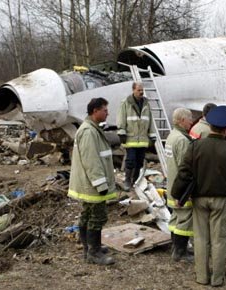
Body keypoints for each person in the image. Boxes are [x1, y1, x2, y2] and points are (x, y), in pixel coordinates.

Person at [172, 105, 226, 286]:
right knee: (219, 239)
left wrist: (176, 194)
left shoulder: (195, 146)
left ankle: (201, 277)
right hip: (221, 201)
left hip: (199, 199)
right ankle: (217, 279)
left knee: (201, 238)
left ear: (209, 125)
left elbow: (184, 172)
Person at [68, 98, 117, 265]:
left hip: (89, 183)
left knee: (87, 215)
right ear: (95, 111)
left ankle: (89, 248)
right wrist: (101, 184)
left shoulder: (92, 129)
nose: (107, 113)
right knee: (97, 216)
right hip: (93, 185)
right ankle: (93, 252)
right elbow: (91, 161)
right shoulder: (89, 132)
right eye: (104, 110)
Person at [165, 108, 194, 262]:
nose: (191, 121)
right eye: (189, 119)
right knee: (184, 220)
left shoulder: (172, 136)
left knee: (175, 218)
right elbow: (186, 168)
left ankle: (175, 247)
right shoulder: (182, 140)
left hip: (172, 186)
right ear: (182, 120)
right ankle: (180, 252)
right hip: (181, 189)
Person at [117, 82, 157, 191]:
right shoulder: (125, 103)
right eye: (139, 90)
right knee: (130, 160)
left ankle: (135, 181)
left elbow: (150, 120)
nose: (141, 92)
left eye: (142, 90)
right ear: (133, 90)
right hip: (130, 138)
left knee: (139, 161)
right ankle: (127, 180)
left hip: (143, 140)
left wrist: (152, 135)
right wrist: (121, 132)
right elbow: (121, 118)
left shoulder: (146, 104)